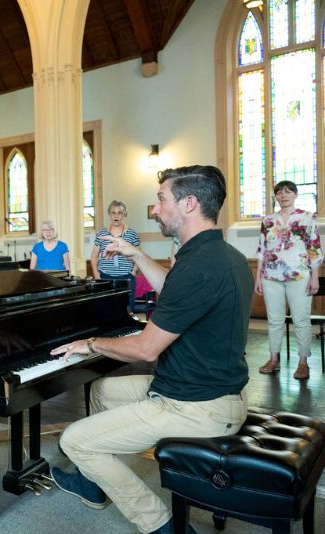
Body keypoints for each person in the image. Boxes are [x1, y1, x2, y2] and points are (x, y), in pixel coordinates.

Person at [48, 166, 252, 534]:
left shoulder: (200, 266)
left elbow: (145, 349)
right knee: (102, 390)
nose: (155, 209)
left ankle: (164, 526)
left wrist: (90, 343)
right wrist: (135, 254)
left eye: (161, 199)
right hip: (200, 389)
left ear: (189, 204)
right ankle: (94, 485)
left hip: (196, 406)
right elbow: (172, 289)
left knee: (74, 440)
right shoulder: (220, 255)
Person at [254, 181, 322, 380]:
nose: (283, 195)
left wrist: (315, 278)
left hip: (299, 276)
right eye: (279, 192)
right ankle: (273, 358)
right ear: (275, 196)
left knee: (301, 320)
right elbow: (261, 250)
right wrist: (258, 277)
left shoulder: (307, 218)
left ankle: (303, 362)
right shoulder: (268, 221)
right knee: (274, 320)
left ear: (295, 194)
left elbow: (314, 249)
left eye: (288, 191)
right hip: (270, 277)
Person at [90, 201, 140, 310]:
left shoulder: (132, 234)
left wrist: (133, 272)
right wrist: (97, 275)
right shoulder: (101, 234)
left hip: (126, 278)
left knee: (126, 310)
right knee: (105, 309)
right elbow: (94, 256)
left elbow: (138, 256)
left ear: (124, 215)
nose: (116, 215)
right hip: (105, 277)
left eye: (120, 213)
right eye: (113, 212)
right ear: (109, 214)